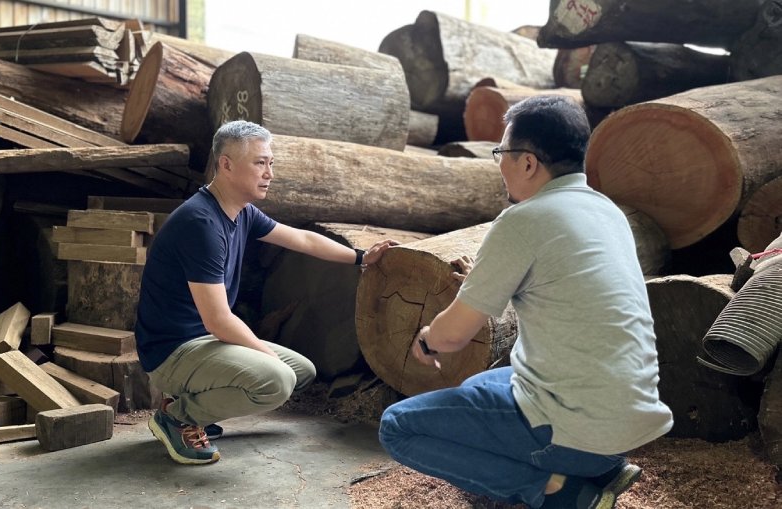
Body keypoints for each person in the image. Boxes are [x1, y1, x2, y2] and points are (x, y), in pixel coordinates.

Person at [378, 96, 673, 509]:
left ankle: (557, 490)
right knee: (480, 385)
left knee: (397, 427)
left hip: (578, 432)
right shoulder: (607, 211)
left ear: (528, 162)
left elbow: (454, 336)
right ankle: (604, 469)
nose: (499, 164)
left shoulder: (524, 220)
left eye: (501, 152)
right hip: (629, 421)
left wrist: (426, 339)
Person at [136, 120, 394, 465]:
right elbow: (218, 320)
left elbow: (301, 239)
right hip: (173, 352)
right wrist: (265, 356)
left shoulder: (240, 211)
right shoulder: (201, 225)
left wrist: (361, 257)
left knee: (302, 371)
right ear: (225, 164)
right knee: (276, 380)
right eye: (260, 163)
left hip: (203, 344)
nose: (269, 173)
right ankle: (178, 417)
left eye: (271, 163)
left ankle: (186, 402)